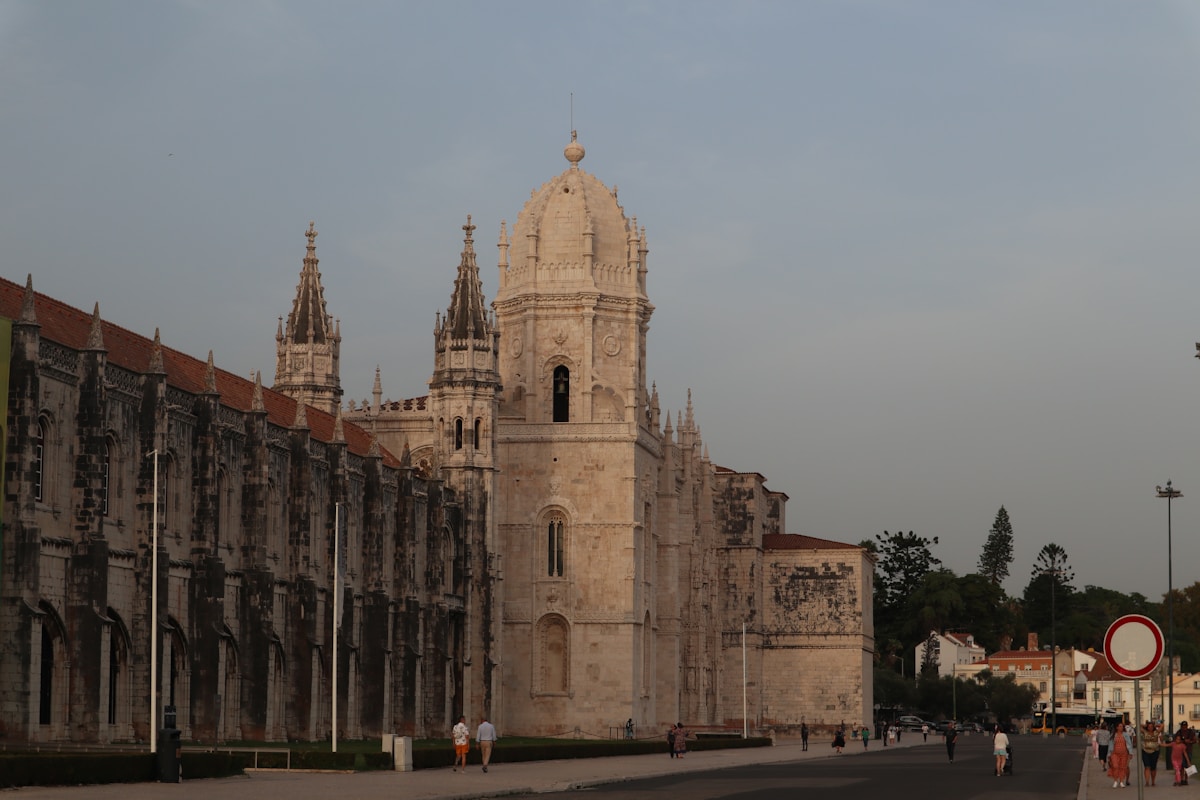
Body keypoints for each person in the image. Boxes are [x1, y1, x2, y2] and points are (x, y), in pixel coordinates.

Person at [1108, 721, 1134, 788]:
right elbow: (1110, 745)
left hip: (1124, 753)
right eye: (1120, 726)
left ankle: (1121, 781)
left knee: (1123, 767)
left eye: (1122, 726)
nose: (1121, 728)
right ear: (1117, 727)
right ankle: (1115, 780)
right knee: (1115, 766)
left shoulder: (1125, 735)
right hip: (1115, 753)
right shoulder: (1113, 735)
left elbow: (1129, 744)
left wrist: (1130, 753)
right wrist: (1109, 754)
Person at [1141, 720, 1161, 787]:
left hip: (1155, 751)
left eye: (1151, 726)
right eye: (1149, 726)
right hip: (1145, 751)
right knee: (1147, 766)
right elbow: (1138, 726)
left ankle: (1153, 781)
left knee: (1153, 767)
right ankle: (1147, 782)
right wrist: (1145, 725)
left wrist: (1155, 725)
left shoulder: (1156, 732)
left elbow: (1162, 725)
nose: (1150, 728)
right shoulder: (1145, 732)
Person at [1178, 721, 1197, 785]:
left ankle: (1186, 779)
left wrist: (1190, 741)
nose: (1184, 727)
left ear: (1187, 726)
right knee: (1181, 766)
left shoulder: (1191, 732)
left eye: (1185, 726)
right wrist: (1183, 741)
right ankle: (1181, 779)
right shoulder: (1179, 732)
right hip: (1180, 751)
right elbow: (1175, 740)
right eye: (1183, 726)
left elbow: (1195, 740)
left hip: (1188, 750)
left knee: (1187, 765)